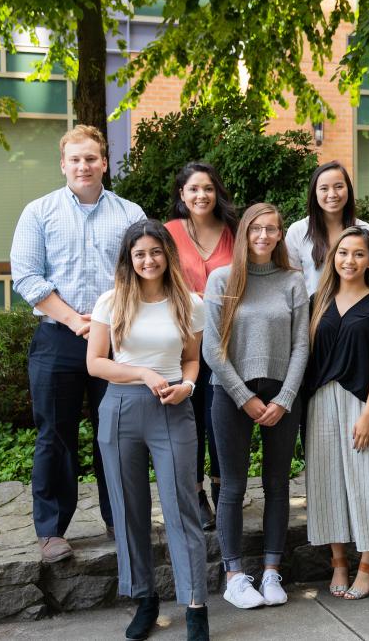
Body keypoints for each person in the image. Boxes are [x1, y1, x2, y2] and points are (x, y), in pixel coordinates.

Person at [10, 125, 145, 563]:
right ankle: (51, 531)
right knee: (55, 435)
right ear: (63, 164)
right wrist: (76, 321)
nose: (83, 166)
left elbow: (143, 271)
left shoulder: (129, 214)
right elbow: (28, 277)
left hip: (117, 341)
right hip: (57, 339)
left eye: (91, 158)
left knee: (118, 433)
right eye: (75, 159)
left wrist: (106, 325)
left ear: (104, 162)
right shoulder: (39, 212)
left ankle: (120, 520)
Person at [86, 220, 209, 641]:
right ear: (129, 258)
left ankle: (195, 606)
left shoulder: (189, 302)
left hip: (173, 409)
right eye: (139, 253)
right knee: (129, 510)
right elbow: (96, 363)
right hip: (120, 410)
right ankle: (144, 599)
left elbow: (193, 360)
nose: (148, 260)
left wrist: (187, 386)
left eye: (155, 252)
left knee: (182, 509)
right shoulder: (111, 301)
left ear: (167, 255)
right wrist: (140, 372)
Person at [203, 203, 309, 610]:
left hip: (283, 395)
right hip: (231, 395)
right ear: (244, 234)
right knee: (231, 486)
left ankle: (269, 571)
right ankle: (234, 576)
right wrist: (244, 398)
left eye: (272, 230)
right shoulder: (222, 279)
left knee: (277, 484)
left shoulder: (292, 282)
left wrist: (283, 398)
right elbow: (212, 347)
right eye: (256, 229)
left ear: (281, 235)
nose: (263, 236)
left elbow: (302, 344)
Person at [304, 226, 369, 599]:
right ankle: (339, 561)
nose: (350, 260)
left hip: (361, 402)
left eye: (359, 254)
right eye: (343, 253)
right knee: (327, 483)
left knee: (365, 483)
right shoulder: (316, 301)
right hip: (320, 402)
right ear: (333, 257)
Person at [165, 161, 238, 530]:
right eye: (193, 189)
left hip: (227, 343)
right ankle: (194, 495)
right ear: (182, 194)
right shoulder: (168, 234)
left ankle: (223, 489)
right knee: (187, 421)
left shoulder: (235, 232)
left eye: (208, 188)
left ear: (217, 192)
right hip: (182, 346)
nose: (201, 195)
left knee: (219, 419)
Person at [286, 161, 369, 297]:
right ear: (314, 193)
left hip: (356, 313)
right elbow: (291, 283)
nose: (332, 194)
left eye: (338, 186)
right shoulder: (297, 231)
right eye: (324, 188)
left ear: (348, 190)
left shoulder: (364, 230)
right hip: (313, 313)